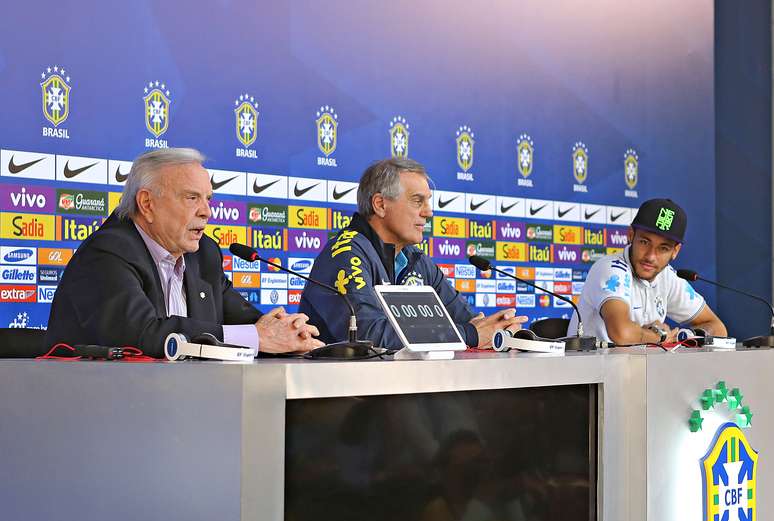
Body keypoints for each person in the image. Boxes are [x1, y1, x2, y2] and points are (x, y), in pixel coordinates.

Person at [44, 148, 322, 358]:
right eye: (192, 198)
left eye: (208, 199)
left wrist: (287, 332)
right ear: (147, 204)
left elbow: (247, 321)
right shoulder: (106, 253)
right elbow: (142, 334)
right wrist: (259, 337)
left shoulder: (203, 254)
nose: (206, 211)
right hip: (98, 408)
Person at [299, 157, 526, 350]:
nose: (429, 212)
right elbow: (368, 335)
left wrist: (498, 329)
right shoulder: (346, 253)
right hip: (341, 393)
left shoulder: (416, 259)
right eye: (418, 201)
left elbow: (466, 319)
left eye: (428, 201)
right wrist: (469, 334)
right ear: (380, 204)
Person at [568, 198, 726, 344]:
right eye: (644, 242)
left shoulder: (668, 277)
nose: (651, 256)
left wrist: (685, 336)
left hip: (637, 369)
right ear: (631, 235)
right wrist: (660, 336)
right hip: (590, 371)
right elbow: (621, 333)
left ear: (675, 251)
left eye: (663, 248)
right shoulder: (611, 269)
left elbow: (718, 329)